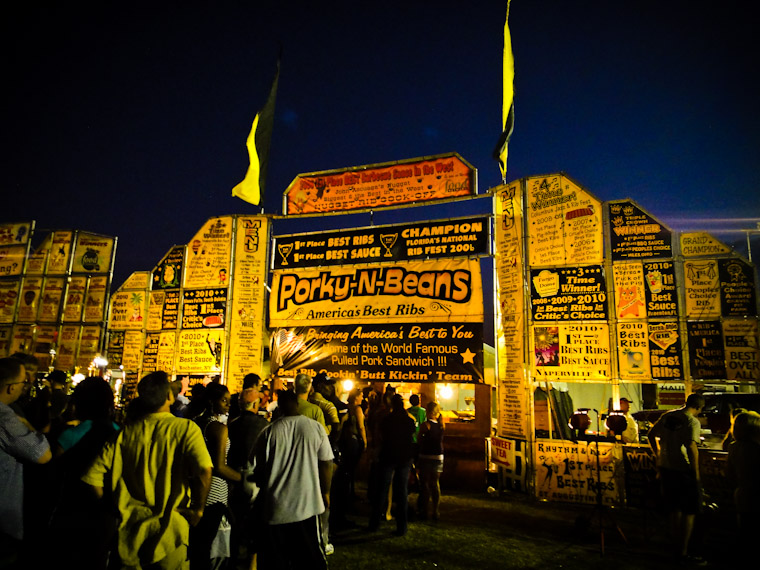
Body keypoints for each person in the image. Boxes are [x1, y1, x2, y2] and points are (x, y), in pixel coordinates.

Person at [83, 371, 213, 570]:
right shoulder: (186, 429)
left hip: (129, 534)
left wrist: (112, 507)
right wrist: (198, 509)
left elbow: (92, 478)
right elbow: (204, 470)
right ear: (169, 396)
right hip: (169, 533)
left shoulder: (125, 433)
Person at [252, 389, 333, 569]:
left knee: (277, 561)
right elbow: (327, 463)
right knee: (310, 559)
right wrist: (325, 492)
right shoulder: (315, 428)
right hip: (307, 507)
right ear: (297, 404)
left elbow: (258, 471)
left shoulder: (268, 432)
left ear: (279, 406)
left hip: (276, 508)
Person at [0, 357, 52, 563]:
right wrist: (28, 426)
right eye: (23, 381)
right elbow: (42, 454)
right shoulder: (6, 419)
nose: (26, 385)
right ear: (11, 387)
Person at [648, 393, 706, 565]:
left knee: (674, 511)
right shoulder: (692, 421)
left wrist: (658, 454)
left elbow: (651, 435)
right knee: (689, 511)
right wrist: (696, 474)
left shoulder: (668, 416)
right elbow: (691, 448)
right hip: (684, 470)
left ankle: (675, 549)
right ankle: (683, 552)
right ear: (699, 407)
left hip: (666, 468)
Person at [192, 382, 241, 570]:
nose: (228, 405)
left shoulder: (195, 422)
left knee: (197, 545)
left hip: (196, 488)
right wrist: (240, 478)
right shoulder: (218, 428)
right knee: (205, 547)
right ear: (212, 402)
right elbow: (219, 467)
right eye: (224, 401)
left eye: (229, 401)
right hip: (214, 492)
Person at [227, 386, 268, 569]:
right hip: (254, 479)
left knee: (235, 520)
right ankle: (252, 562)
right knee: (256, 522)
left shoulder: (231, 425)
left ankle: (233, 557)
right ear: (254, 404)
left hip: (234, 477)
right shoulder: (264, 426)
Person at [369, 394, 416, 536]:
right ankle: (402, 527)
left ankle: (374, 523)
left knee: (382, 489)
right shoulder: (408, 420)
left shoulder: (387, 420)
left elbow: (381, 436)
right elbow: (412, 435)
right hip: (404, 457)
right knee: (401, 491)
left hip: (388, 455)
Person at [726, 411, 760, 559]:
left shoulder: (734, 447)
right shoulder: (756, 448)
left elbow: (729, 474)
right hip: (755, 494)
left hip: (742, 493)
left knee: (745, 530)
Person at [332, 387, 367, 530]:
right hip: (354, 440)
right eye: (361, 396)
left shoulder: (346, 408)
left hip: (346, 441)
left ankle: (348, 495)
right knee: (349, 470)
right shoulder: (357, 409)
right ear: (356, 397)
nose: (363, 398)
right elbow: (361, 426)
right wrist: (365, 441)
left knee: (346, 471)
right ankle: (347, 498)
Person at [417, 401, 445, 521]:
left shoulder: (425, 425)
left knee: (425, 484)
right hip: (438, 456)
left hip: (426, 455)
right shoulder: (442, 425)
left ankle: (424, 510)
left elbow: (419, 439)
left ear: (428, 412)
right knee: (435, 484)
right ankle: (436, 510)